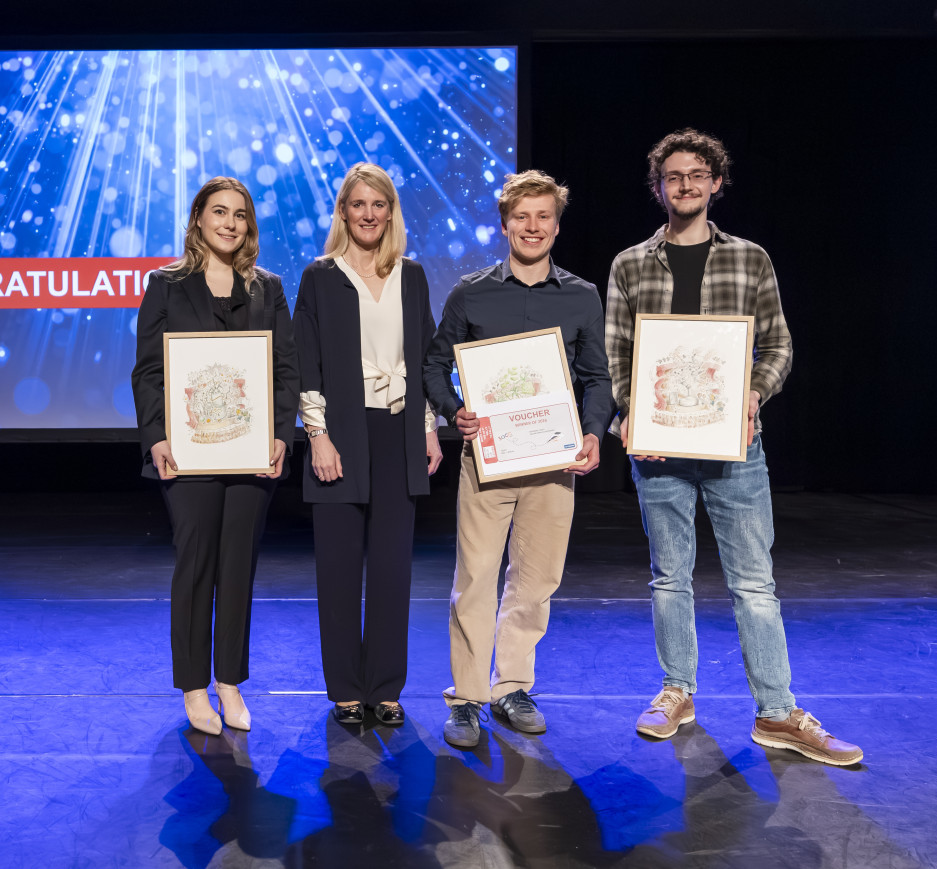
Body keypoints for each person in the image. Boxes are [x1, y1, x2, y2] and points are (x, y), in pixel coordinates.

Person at [605, 128, 862, 765]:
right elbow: (618, 355)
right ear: (659, 187)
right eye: (673, 176)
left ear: (716, 183)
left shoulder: (750, 259)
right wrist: (631, 413)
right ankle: (677, 691)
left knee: (753, 584)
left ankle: (776, 711)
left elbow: (777, 346)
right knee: (670, 578)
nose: (685, 185)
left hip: (735, 446)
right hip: (660, 451)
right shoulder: (630, 264)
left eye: (698, 175)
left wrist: (754, 394)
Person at [424, 170, 613, 748]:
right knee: (476, 577)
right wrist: (454, 410)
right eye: (522, 217)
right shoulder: (470, 292)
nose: (533, 227)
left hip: (554, 462)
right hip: (487, 458)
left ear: (557, 225)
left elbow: (597, 378)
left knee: (536, 579)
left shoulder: (581, 295)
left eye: (543, 217)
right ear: (505, 224)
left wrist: (593, 433)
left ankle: (511, 686)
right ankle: (467, 697)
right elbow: (434, 365)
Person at [131, 177, 299, 736]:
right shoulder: (166, 285)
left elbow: (285, 371)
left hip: (252, 453)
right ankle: (194, 686)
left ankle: (229, 681)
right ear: (198, 218)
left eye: (240, 214)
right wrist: (157, 437)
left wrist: (281, 436)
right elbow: (149, 372)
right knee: (197, 562)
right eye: (219, 212)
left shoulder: (268, 288)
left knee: (238, 566)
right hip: (188, 454)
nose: (230, 223)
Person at [294, 162, 443, 727]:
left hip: (398, 433)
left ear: (391, 212)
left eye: (379, 204)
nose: (369, 214)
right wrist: (318, 436)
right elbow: (306, 361)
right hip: (340, 433)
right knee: (337, 570)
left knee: (391, 570)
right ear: (343, 211)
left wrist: (428, 427)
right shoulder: (319, 276)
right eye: (358, 204)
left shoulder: (413, 275)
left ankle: (384, 687)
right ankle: (345, 690)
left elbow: (424, 359)